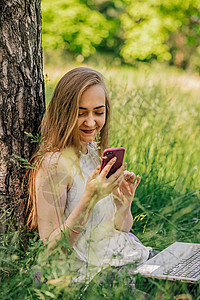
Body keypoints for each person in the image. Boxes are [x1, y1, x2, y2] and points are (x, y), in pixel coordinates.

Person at [27, 67, 152, 285]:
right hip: (87, 274)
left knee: (187, 273)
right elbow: (52, 251)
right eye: (81, 112)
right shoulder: (54, 165)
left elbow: (121, 229)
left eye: (98, 112)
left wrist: (123, 203)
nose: (91, 122)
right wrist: (90, 199)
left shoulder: (93, 153)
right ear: (64, 112)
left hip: (119, 257)